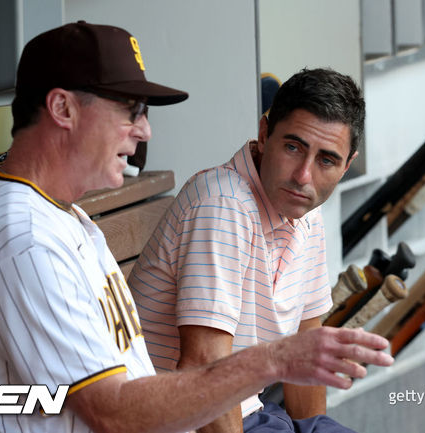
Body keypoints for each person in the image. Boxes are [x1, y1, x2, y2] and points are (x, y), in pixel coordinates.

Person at [0, 22, 392, 433]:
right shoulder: (25, 242)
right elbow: (113, 413)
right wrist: (272, 360)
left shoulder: (64, 220)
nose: (145, 131)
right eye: (130, 110)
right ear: (63, 108)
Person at [128, 67, 366, 432]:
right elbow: (201, 370)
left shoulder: (304, 211)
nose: (303, 175)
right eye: (293, 147)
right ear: (264, 133)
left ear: (346, 166)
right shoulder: (223, 205)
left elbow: (306, 347)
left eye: (326, 160)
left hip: (251, 414)